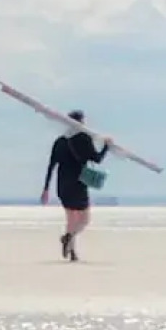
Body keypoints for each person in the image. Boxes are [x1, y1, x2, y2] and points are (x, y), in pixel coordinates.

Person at [41, 111, 110, 262]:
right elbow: (97, 159)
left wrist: (46, 188)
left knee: (71, 219)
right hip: (78, 184)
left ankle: (72, 252)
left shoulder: (60, 141)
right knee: (84, 219)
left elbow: (51, 165)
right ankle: (69, 237)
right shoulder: (84, 138)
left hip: (62, 185)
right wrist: (107, 146)